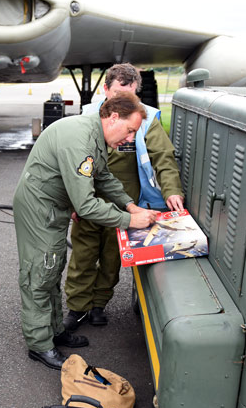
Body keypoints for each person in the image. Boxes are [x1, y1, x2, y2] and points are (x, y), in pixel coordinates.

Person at [13, 93, 159, 370]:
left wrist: (130, 206)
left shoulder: (95, 135)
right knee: (39, 274)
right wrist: (130, 222)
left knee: (52, 269)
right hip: (40, 209)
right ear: (114, 117)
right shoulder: (81, 141)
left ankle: (54, 331)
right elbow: (86, 205)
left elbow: (103, 177)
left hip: (54, 206)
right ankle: (39, 344)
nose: (130, 139)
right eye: (129, 130)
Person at [63, 64, 184, 331]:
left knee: (111, 258)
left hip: (125, 203)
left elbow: (163, 158)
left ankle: (98, 304)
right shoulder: (88, 117)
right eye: (118, 94)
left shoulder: (146, 118)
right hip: (88, 199)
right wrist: (72, 201)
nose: (124, 103)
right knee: (82, 256)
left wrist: (172, 190)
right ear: (105, 90)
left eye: (130, 97)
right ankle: (77, 307)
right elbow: (70, 163)